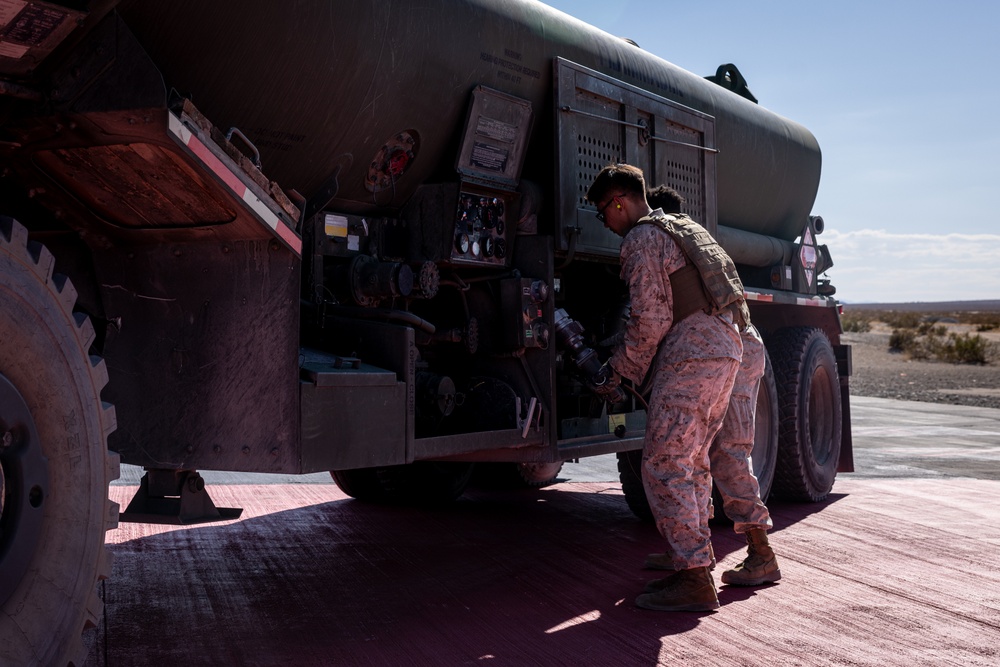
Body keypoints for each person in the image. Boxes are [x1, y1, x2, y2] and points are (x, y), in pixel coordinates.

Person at [586, 164, 742, 612]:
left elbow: (650, 320)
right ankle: (697, 564)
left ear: (619, 201)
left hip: (691, 355)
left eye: (603, 213)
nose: (607, 223)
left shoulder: (642, 238)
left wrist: (619, 369)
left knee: (662, 463)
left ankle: (693, 581)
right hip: (723, 348)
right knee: (691, 462)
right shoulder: (678, 227)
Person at [643, 185, 781, 588]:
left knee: (720, 452)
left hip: (733, 348)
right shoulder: (696, 238)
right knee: (699, 450)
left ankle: (760, 555)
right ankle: (692, 549)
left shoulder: (666, 237)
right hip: (744, 341)